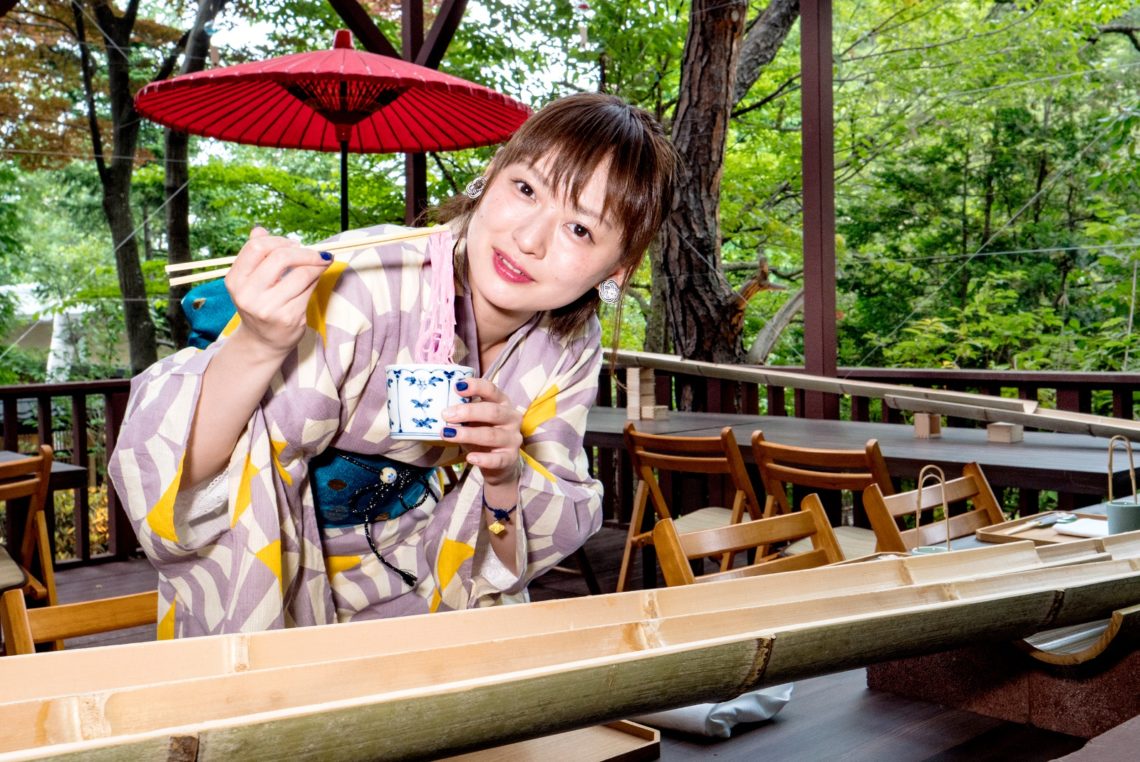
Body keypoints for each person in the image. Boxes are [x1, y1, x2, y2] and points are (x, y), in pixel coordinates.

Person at [109, 93, 677, 636]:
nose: (529, 239)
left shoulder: (569, 342)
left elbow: (521, 540)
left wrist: (506, 473)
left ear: (619, 270)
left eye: (580, 228)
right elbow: (183, 474)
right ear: (489, 176)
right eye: (525, 188)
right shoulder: (367, 283)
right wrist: (258, 343)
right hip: (276, 565)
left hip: (421, 572)